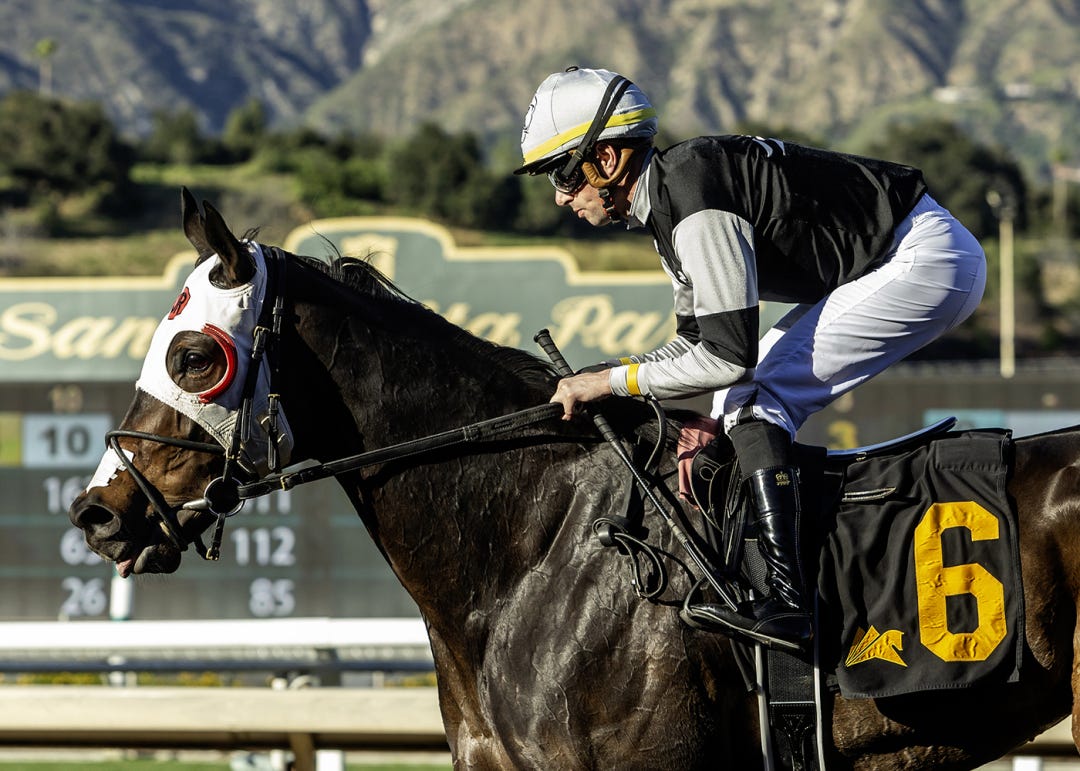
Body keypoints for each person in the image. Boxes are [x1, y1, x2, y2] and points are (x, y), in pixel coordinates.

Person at [513, 66, 987, 652]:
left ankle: (791, 604)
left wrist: (610, 382)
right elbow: (695, 343)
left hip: (922, 258)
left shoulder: (691, 194)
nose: (560, 195)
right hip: (903, 254)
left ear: (606, 160)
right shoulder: (672, 200)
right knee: (733, 408)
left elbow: (727, 359)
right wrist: (648, 391)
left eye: (562, 173)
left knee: (755, 401)